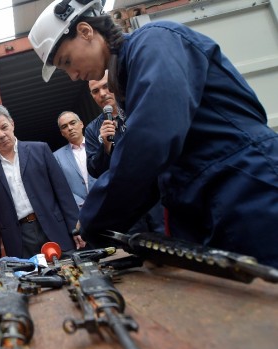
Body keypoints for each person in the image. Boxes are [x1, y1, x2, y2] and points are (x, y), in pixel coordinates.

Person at [29, 0, 278, 267]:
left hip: (247, 188)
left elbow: (148, 144)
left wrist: (94, 216)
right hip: (208, 201)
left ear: (86, 31)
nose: (73, 75)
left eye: (67, 62)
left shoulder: (155, 42)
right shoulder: (129, 76)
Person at [0, 104, 85, 260]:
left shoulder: (40, 150)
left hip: (54, 228)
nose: (1, 134)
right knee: (30, 281)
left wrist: (75, 229)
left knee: (71, 273)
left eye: (4, 127)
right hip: (19, 239)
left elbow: (63, 192)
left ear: (12, 124)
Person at [86, 71, 165, 234]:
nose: (102, 93)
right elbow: (94, 169)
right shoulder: (93, 129)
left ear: (115, 84)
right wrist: (106, 146)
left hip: (158, 195)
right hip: (126, 204)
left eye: (106, 86)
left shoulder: (137, 110)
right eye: (95, 91)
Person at [54, 111, 96, 208]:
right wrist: (82, 204)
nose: (70, 128)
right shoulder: (56, 157)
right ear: (62, 133)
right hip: (82, 210)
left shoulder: (98, 145)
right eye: (64, 127)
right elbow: (60, 186)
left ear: (81, 124)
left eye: (73, 123)